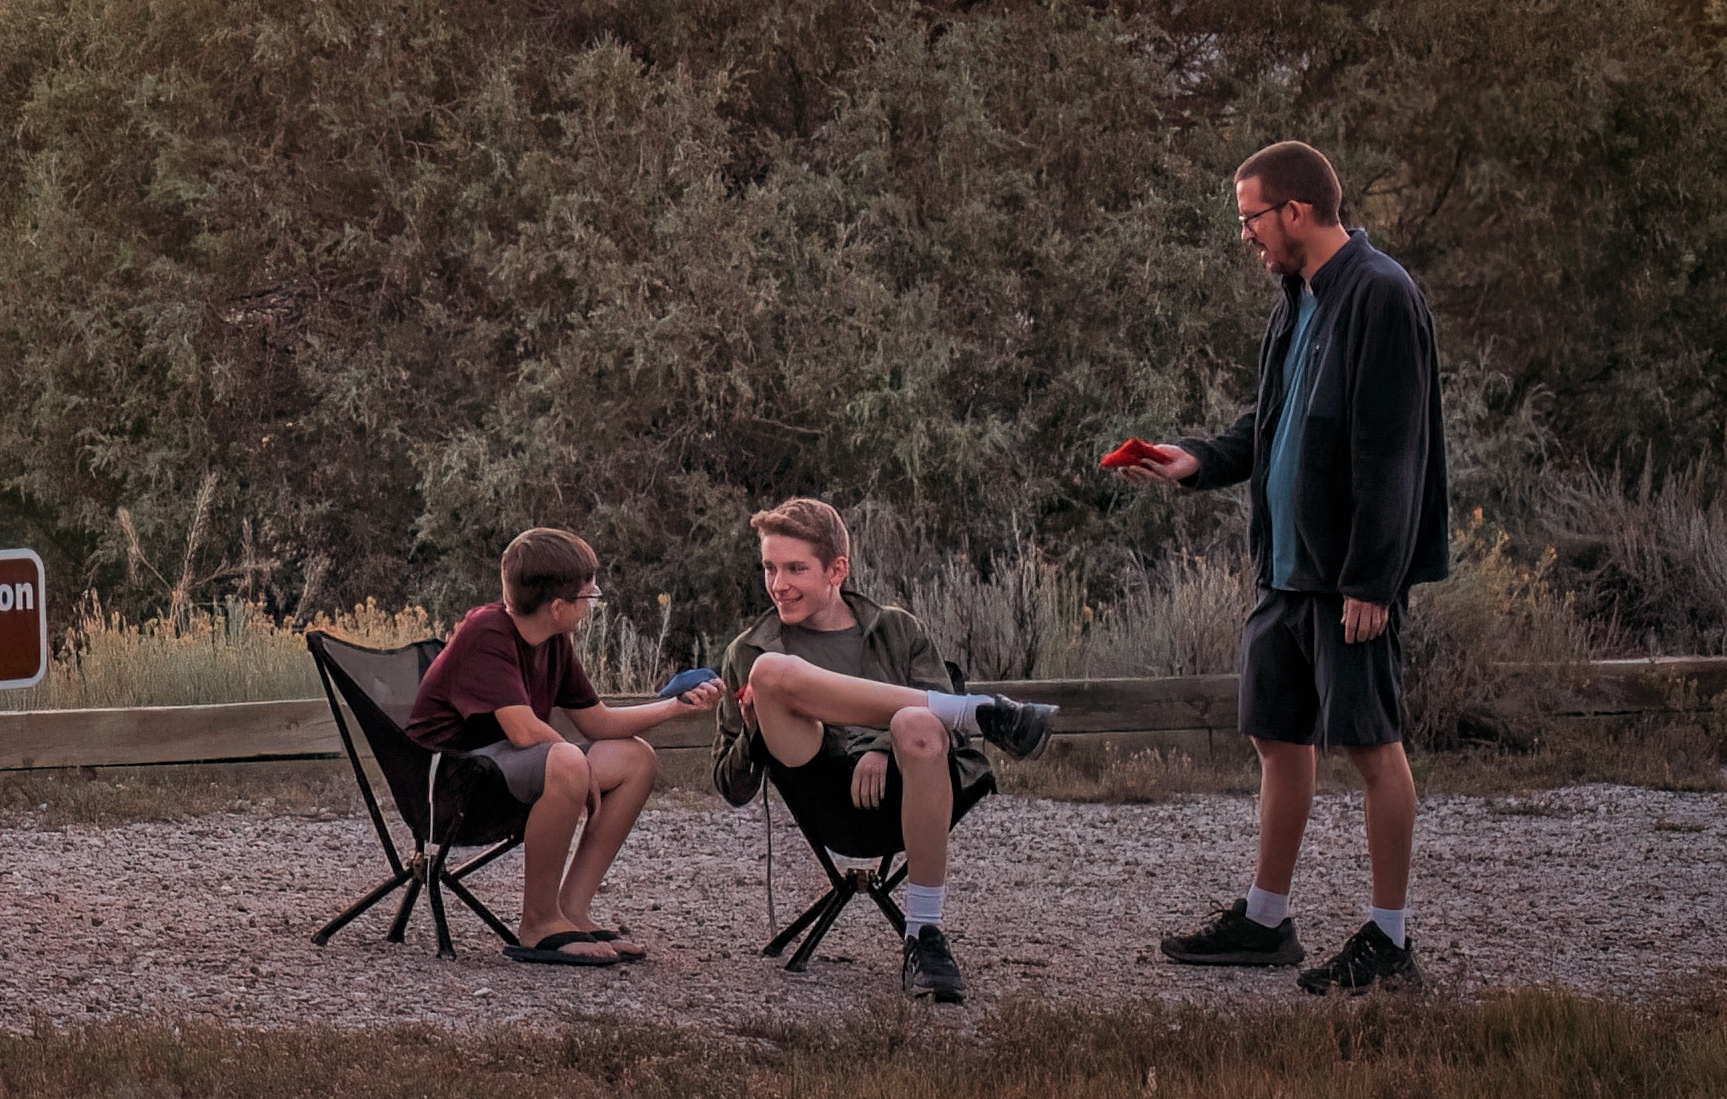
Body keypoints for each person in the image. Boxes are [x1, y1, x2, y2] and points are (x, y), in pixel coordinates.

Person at [1102, 135, 1452, 995]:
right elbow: (1271, 417)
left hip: (1346, 583)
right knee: (1277, 736)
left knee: (1373, 749)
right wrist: (1197, 460)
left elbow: (1394, 451)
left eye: (1251, 219)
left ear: (1296, 211)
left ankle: (1391, 942)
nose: (1247, 236)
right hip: (1285, 573)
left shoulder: (1381, 294)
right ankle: (1267, 921)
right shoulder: (1298, 296)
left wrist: (1375, 578)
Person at [710, 496, 1060, 1003]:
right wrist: (753, 730)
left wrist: (881, 744)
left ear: (837, 570)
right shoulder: (749, 649)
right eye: (769, 567)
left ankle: (924, 935)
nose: (778, 583)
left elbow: (941, 743)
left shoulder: (897, 629)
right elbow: (731, 786)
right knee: (770, 673)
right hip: (821, 788)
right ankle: (976, 710)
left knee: (919, 722)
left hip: (907, 790)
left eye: (795, 568)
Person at [399, 526, 726, 966]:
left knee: (634, 759)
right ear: (557, 607)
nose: (594, 601)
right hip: (449, 790)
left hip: (499, 774)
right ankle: (537, 924)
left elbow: (598, 721)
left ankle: (570, 913)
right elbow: (523, 731)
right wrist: (582, 770)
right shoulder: (488, 632)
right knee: (568, 760)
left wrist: (674, 707)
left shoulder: (553, 642)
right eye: (588, 594)